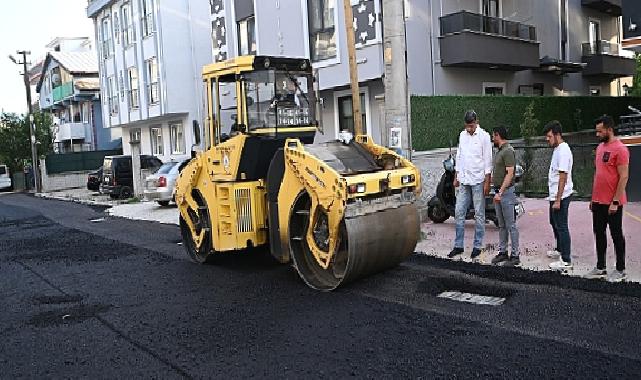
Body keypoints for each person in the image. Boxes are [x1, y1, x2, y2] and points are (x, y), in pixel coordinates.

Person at [585, 115, 630, 282]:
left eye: (600, 131)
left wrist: (616, 201)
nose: (597, 134)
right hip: (598, 201)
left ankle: (620, 269)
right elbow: (598, 174)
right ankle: (600, 266)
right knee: (599, 233)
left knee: (616, 234)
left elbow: (623, 177)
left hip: (613, 203)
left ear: (609, 130)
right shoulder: (600, 148)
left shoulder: (620, 149)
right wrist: (592, 198)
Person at [448, 110, 493, 259]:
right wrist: (456, 176)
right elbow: (459, 156)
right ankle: (458, 245)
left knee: (479, 215)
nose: (469, 128)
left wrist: (487, 181)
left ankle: (477, 246)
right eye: (467, 126)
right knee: (459, 212)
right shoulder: (462, 135)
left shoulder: (484, 137)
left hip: (478, 180)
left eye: (471, 126)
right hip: (464, 180)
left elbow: (488, 161)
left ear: (476, 122)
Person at [543, 121, 574, 271]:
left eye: (549, 136)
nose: (547, 139)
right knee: (553, 222)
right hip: (554, 195)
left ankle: (566, 259)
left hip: (560, 196)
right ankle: (559, 249)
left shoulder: (563, 151)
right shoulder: (557, 149)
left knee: (561, 226)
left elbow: (563, 177)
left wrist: (558, 200)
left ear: (557, 135)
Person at [490, 126, 520, 267]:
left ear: (498, 136)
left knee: (511, 225)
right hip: (498, 192)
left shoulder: (508, 151)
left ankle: (515, 255)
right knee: (502, 225)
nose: (492, 138)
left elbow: (510, 173)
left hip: (506, 193)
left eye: (493, 136)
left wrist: (501, 192)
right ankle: (503, 252)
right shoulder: (500, 151)